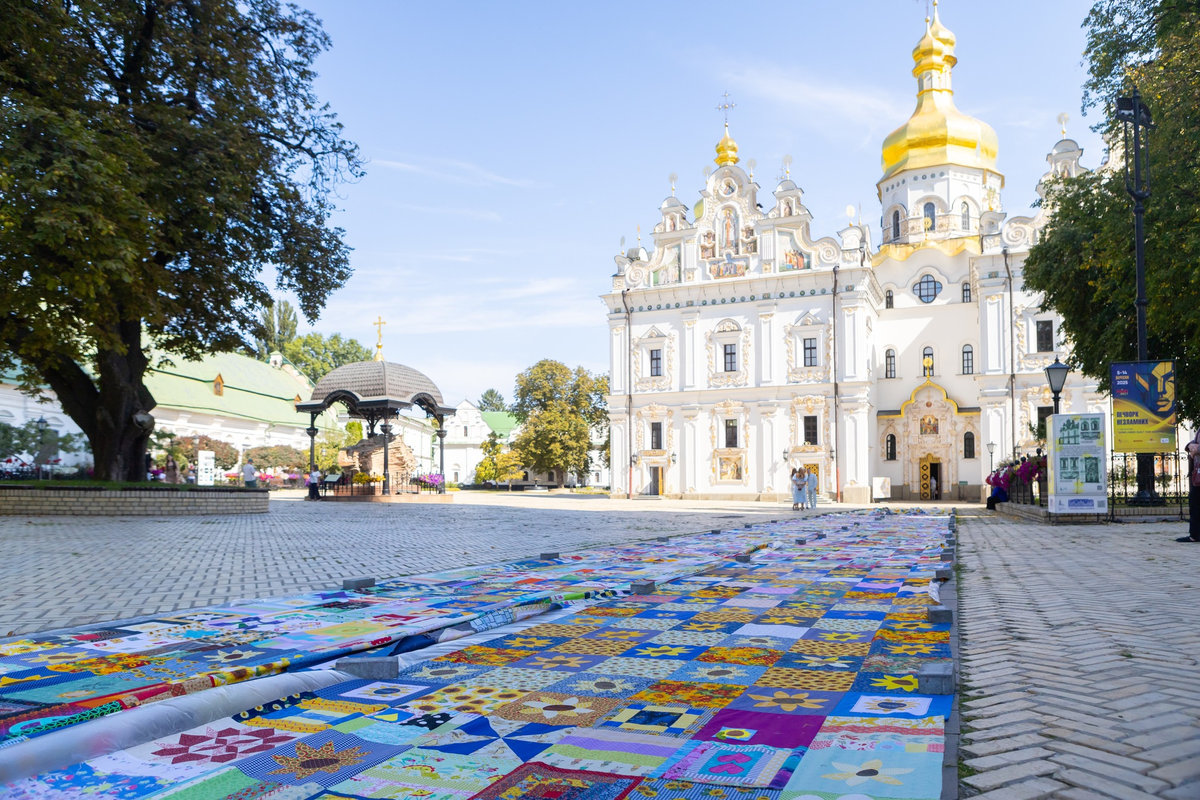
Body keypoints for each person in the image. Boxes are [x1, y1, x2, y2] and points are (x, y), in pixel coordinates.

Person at [1178, 431, 1200, 542]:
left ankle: (1195, 535)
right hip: (1197, 472)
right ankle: (1195, 535)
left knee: (1195, 503)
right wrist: (1190, 445)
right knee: (1195, 504)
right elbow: (1195, 442)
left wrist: (1197, 449)